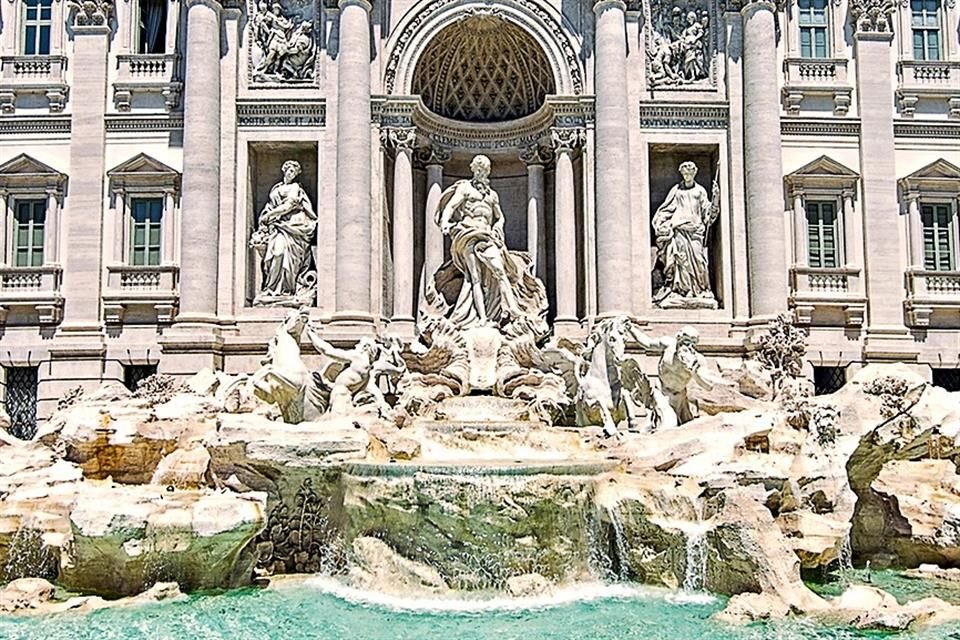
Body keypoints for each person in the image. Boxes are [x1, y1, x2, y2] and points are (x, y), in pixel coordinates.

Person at [429, 155, 546, 334]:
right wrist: (445, 222)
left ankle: (513, 310)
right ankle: (483, 318)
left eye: (484, 170)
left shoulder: (492, 195)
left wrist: (498, 227)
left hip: (487, 236)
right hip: (468, 233)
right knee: (473, 277)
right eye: (478, 169)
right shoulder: (465, 188)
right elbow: (451, 207)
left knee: (500, 272)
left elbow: (499, 217)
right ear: (473, 170)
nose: (481, 173)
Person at [651, 160, 719, 308]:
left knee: (698, 260)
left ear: (694, 173)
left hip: (695, 230)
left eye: (690, 173)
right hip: (679, 229)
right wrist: (661, 222)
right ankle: (682, 290)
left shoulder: (700, 191)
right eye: (685, 173)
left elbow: (708, 213)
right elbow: (666, 209)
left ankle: (700, 289)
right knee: (680, 261)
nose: (687, 175)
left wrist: (716, 199)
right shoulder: (676, 190)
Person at [251, 160, 317, 305]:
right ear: (284, 170)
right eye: (289, 170)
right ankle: (272, 288)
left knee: (284, 255)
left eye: (294, 171)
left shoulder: (295, 188)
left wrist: (271, 215)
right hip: (278, 228)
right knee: (276, 254)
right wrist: (266, 217)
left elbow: (290, 204)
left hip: (293, 226)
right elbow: (270, 205)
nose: (290, 173)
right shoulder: (277, 187)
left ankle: (287, 289)